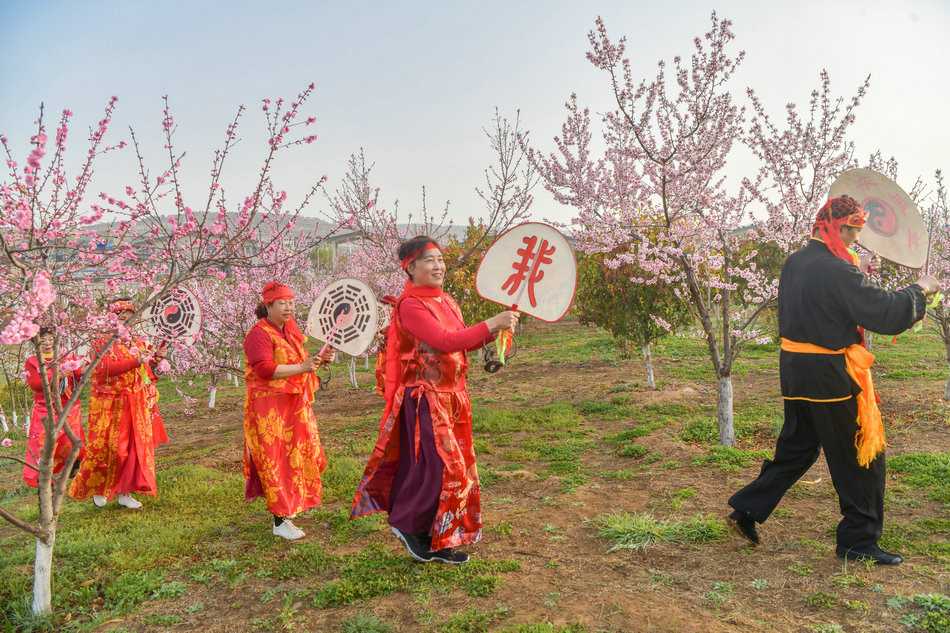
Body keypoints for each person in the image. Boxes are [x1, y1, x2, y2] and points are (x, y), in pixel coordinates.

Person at [727, 196, 940, 565]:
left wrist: (859, 269)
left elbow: (829, 297)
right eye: (855, 231)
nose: (858, 238)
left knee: (798, 447)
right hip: (830, 375)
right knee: (861, 455)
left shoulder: (797, 261)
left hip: (795, 369)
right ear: (839, 228)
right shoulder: (840, 271)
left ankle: (746, 509)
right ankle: (858, 541)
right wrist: (919, 289)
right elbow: (887, 313)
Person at [351, 236, 518, 564]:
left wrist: (497, 329)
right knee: (445, 468)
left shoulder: (447, 301)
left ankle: (438, 540)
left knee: (449, 470)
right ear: (410, 268)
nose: (438, 265)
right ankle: (409, 527)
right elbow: (444, 341)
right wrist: (491, 323)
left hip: (455, 398)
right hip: (427, 399)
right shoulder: (410, 305)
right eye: (429, 260)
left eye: (440, 259)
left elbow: (463, 343)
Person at [243, 282, 335, 540]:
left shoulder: (289, 333)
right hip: (270, 410)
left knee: (296, 456)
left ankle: (288, 505)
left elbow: (300, 363)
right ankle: (280, 520)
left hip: (293, 406)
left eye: (291, 302)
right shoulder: (259, 334)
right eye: (282, 303)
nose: (288, 307)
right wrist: (303, 367)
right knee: (276, 460)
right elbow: (263, 369)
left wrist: (319, 359)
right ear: (268, 306)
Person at [69, 300, 163, 508]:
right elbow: (103, 369)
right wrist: (136, 361)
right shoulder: (101, 341)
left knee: (133, 449)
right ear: (110, 318)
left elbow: (146, 371)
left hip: (134, 401)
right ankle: (98, 487)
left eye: (128, 314)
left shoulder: (138, 341)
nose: (125, 318)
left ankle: (125, 492)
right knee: (106, 448)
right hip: (108, 403)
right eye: (119, 315)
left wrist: (155, 360)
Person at [22, 327, 86, 487]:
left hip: (68, 405)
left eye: (51, 339)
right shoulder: (32, 361)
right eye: (42, 341)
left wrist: (85, 370)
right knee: (44, 443)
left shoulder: (66, 355)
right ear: (34, 343)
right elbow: (35, 384)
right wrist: (56, 376)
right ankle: (44, 477)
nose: (47, 344)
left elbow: (78, 373)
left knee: (70, 439)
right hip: (45, 407)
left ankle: (72, 464)